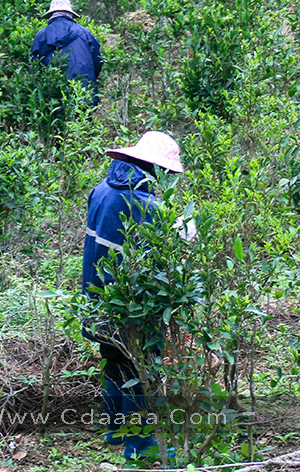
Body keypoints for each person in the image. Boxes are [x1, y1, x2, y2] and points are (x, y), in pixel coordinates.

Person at [81, 130, 190, 460]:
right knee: (140, 372)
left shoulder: (101, 190)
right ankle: (140, 447)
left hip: (97, 298)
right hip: (131, 307)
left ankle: (115, 434)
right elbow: (166, 249)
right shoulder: (143, 204)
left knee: (113, 363)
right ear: (153, 167)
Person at [30, 0, 103, 105]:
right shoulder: (85, 33)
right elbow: (98, 61)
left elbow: (34, 65)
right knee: (83, 117)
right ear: (70, 14)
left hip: (53, 98)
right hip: (83, 92)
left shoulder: (41, 35)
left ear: (51, 15)